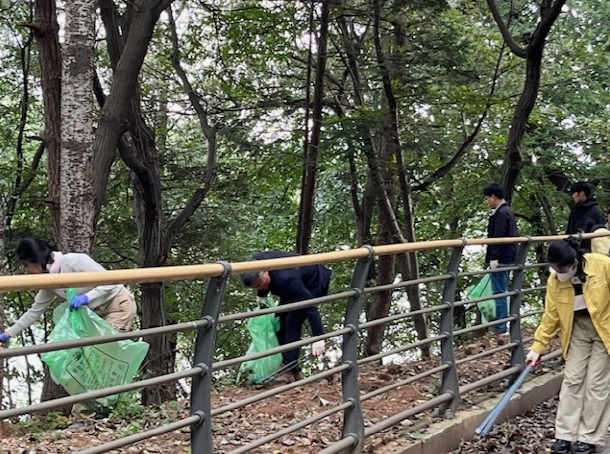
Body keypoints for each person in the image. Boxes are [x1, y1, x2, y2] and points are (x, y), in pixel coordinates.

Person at [0, 237, 138, 424]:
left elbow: (111, 282)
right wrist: (8, 333)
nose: (26, 270)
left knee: (98, 357)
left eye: (26, 265)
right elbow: (34, 312)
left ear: (38, 261)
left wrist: (88, 297)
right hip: (93, 316)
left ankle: (87, 416)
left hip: (117, 306)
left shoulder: (74, 261)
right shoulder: (49, 282)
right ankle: (97, 411)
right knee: (84, 360)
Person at [526, 237, 610, 454]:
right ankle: (565, 435)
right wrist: (537, 348)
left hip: (606, 330)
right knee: (572, 380)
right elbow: (551, 316)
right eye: (554, 268)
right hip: (578, 329)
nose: (557, 272)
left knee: (596, 384)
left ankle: (588, 437)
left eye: (561, 268)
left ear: (574, 262)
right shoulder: (555, 281)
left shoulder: (602, 265)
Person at [240, 249, 330, 382]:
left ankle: (288, 368)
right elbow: (262, 283)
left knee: (293, 320)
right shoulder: (256, 262)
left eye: (260, 284)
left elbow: (310, 306)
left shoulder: (286, 278)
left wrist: (319, 337)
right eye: (256, 287)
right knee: (279, 319)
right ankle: (293, 369)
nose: (260, 287)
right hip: (292, 284)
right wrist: (261, 296)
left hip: (313, 282)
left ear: (265, 271)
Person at [483, 183, 518, 334]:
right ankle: (502, 325)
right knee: (502, 292)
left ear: (493, 197)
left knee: (499, 293)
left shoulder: (501, 214)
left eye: (487, 198)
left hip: (501, 259)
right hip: (509, 257)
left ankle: (501, 327)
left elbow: (498, 236)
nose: (487, 202)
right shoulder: (508, 211)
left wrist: (494, 257)